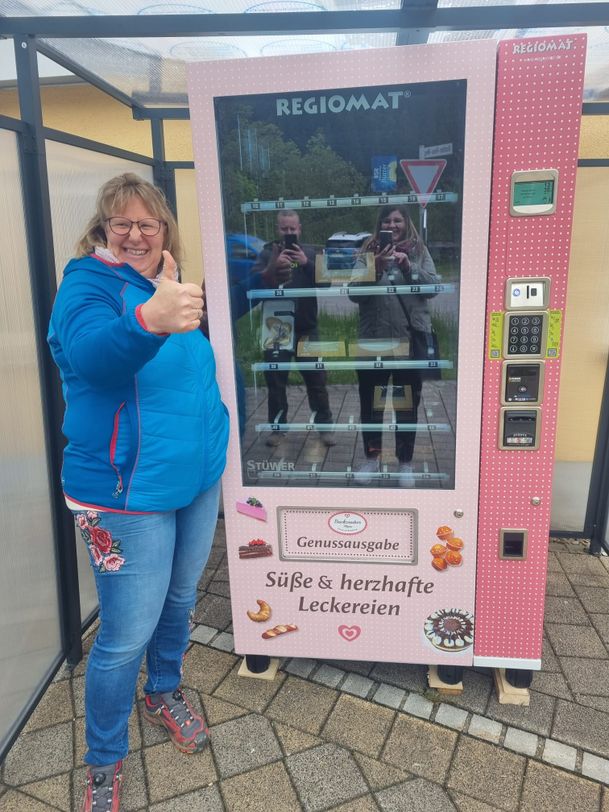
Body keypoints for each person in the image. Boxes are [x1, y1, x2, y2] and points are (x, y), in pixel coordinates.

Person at [47, 173, 229, 811]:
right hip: (125, 493)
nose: (134, 233)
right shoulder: (85, 285)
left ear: (164, 230)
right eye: (120, 222)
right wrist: (150, 319)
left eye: (147, 223)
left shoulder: (170, 280)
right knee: (125, 633)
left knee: (180, 599)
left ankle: (165, 689)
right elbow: (93, 357)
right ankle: (103, 759)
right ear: (102, 228)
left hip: (197, 476)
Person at [349, 205, 439, 487]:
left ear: (406, 222)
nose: (392, 224)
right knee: (371, 406)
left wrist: (407, 266)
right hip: (372, 340)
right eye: (387, 220)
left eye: (397, 219)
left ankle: (405, 464)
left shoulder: (418, 251)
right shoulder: (367, 251)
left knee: (406, 406)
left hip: (408, 342)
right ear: (380, 224)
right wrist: (374, 266)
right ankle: (371, 460)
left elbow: (433, 287)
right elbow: (353, 293)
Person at [251, 210, 335, 447]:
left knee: (317, 380)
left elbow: (326, 282)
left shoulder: (310, 252)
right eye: (284, 229)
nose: (288, 233)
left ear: (300, 229)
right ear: (277, 230)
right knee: (275, 382)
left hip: (307, 327)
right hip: (275, 327)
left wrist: (306, 263)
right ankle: (278, 430)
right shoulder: (268, 252)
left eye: (292, 229)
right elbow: (255, 283)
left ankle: (325, 427)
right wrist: (273, 265)